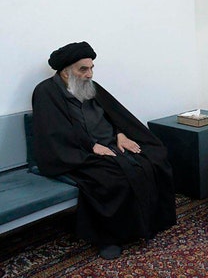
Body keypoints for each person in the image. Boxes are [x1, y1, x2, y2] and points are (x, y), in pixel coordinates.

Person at [31, 41, 176, 260]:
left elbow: (114, 115)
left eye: (91, 68)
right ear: (64, 72)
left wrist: (120, 134)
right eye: (83, 69)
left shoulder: (90, 87)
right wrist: (91, 146)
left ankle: (153, 221)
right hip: (76, 153)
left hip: (110, 143)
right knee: (113, 178)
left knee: (154, 157)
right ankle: (109, 238)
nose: (90, 74)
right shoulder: (45, 92)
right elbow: (53, 133)